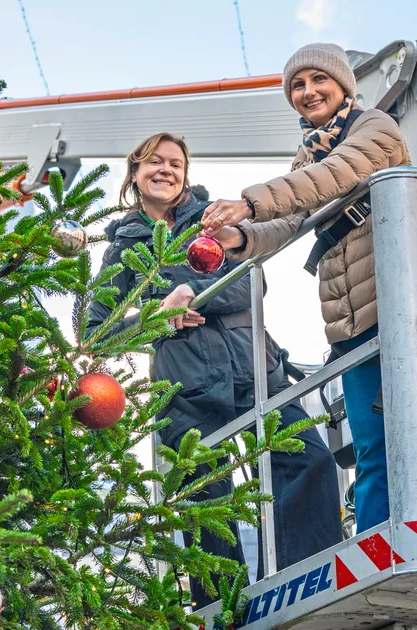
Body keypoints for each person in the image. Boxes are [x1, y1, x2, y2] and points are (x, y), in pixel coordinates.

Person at [199, 43, 417, 534]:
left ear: (344, 86)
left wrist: (250, 203)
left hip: (411, 305)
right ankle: (380, 543)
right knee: (370, 443)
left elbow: (331, 178)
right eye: (297, 86)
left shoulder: (375, 130)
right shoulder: (307, 157)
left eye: (318, 80)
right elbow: (292, 218)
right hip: (352, 320)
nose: (308, 92)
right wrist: (239, 237)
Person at [85, 132, 343, 608]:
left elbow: (251, 284)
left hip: (254, 369)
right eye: (154, 163)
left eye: (175, 164)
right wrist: (153, 315)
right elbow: (94, 329)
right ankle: (222, 607)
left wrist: (193, 296)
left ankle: (305, 578)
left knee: (307, 459)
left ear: (186, 174)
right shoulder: (122, 246)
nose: (166, 170)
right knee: (206, 499)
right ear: (135, 172)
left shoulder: (210, 222)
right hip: (184, 388)